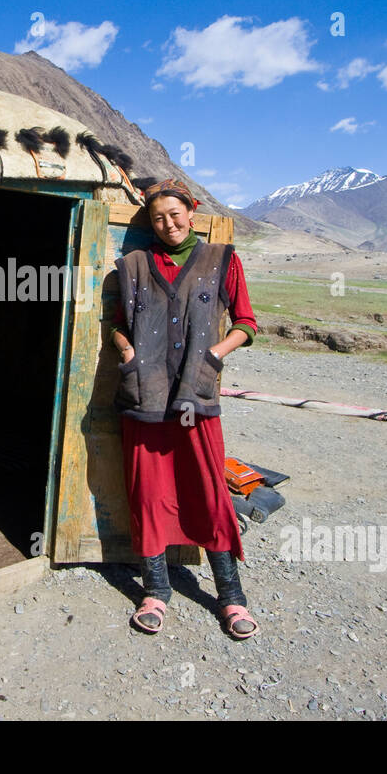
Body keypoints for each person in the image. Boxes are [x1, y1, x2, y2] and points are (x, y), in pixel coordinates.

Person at [110, 179, 260, 639]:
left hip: (197, 395)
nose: (168, 224)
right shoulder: (133, 266)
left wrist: (215, 355)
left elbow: (247, 323)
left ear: (190, 214)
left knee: (208, 491)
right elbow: (116, 326)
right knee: (148, 493)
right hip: (146, 396)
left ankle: (231, 598)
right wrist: (128, 353)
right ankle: (155, 591)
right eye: (158, 218)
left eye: (175, 215)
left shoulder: (222, 261)